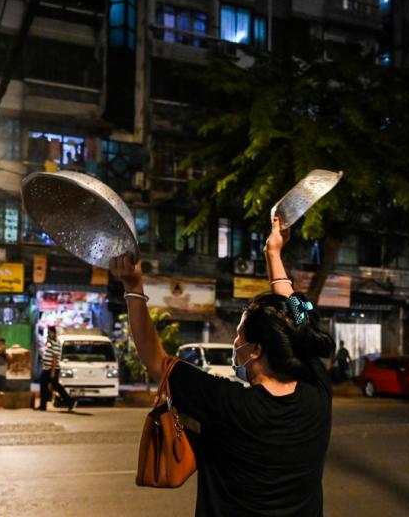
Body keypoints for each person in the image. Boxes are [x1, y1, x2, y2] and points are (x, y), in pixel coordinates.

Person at [109, 216, 334, 516]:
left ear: (255, 350)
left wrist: (133, 286)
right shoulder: (317, 391)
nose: (234, 341)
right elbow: (300, 323)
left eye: (239, 333)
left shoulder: (227, 403)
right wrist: (273, 254)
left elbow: (156, 360)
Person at [37, 327, 76, 411]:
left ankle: (70, 401)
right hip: (47, 368)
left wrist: (53, 371)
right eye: (48, 333)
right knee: (49, 386)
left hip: (51, 369)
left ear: (54, 333)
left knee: (55, 386)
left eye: (50, 332)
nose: (49, 334)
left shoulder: (55, 342)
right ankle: (43, 405)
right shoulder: (50, 342)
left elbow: (55, 357)